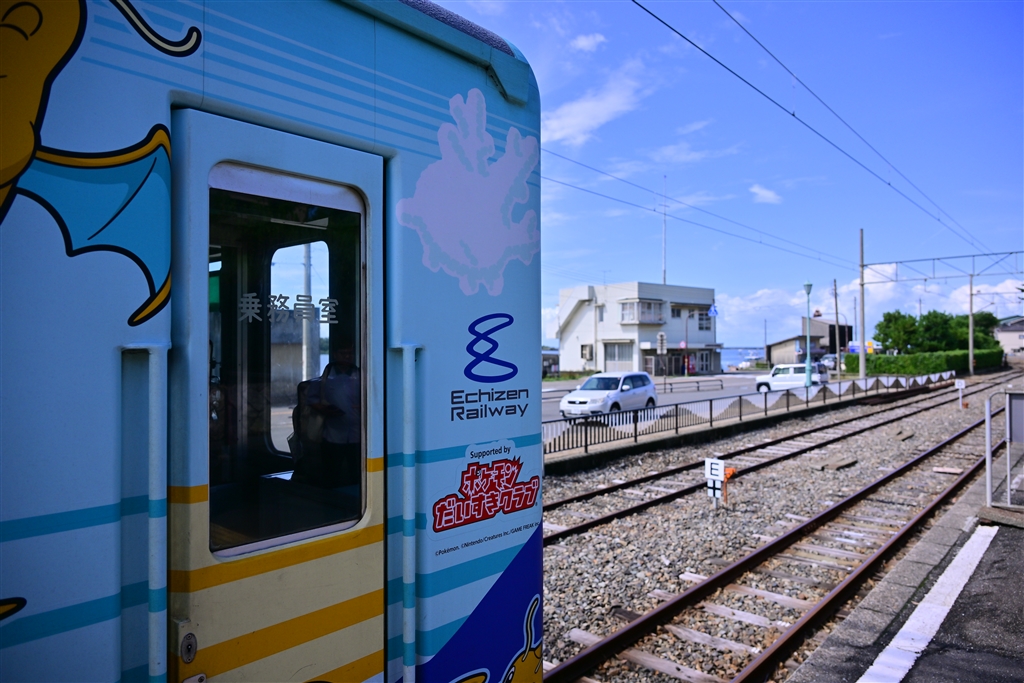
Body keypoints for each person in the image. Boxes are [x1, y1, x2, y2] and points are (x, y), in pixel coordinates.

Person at [317, 346, 361, 489]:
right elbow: (314, 398)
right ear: (335, 354)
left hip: (357, 435)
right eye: (343, 353)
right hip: (333, 434)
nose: (347, 356)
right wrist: (326, 409)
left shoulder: (359, 373)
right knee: (331, 473)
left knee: (356, 473)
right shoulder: (328, 373)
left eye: (350, 353)